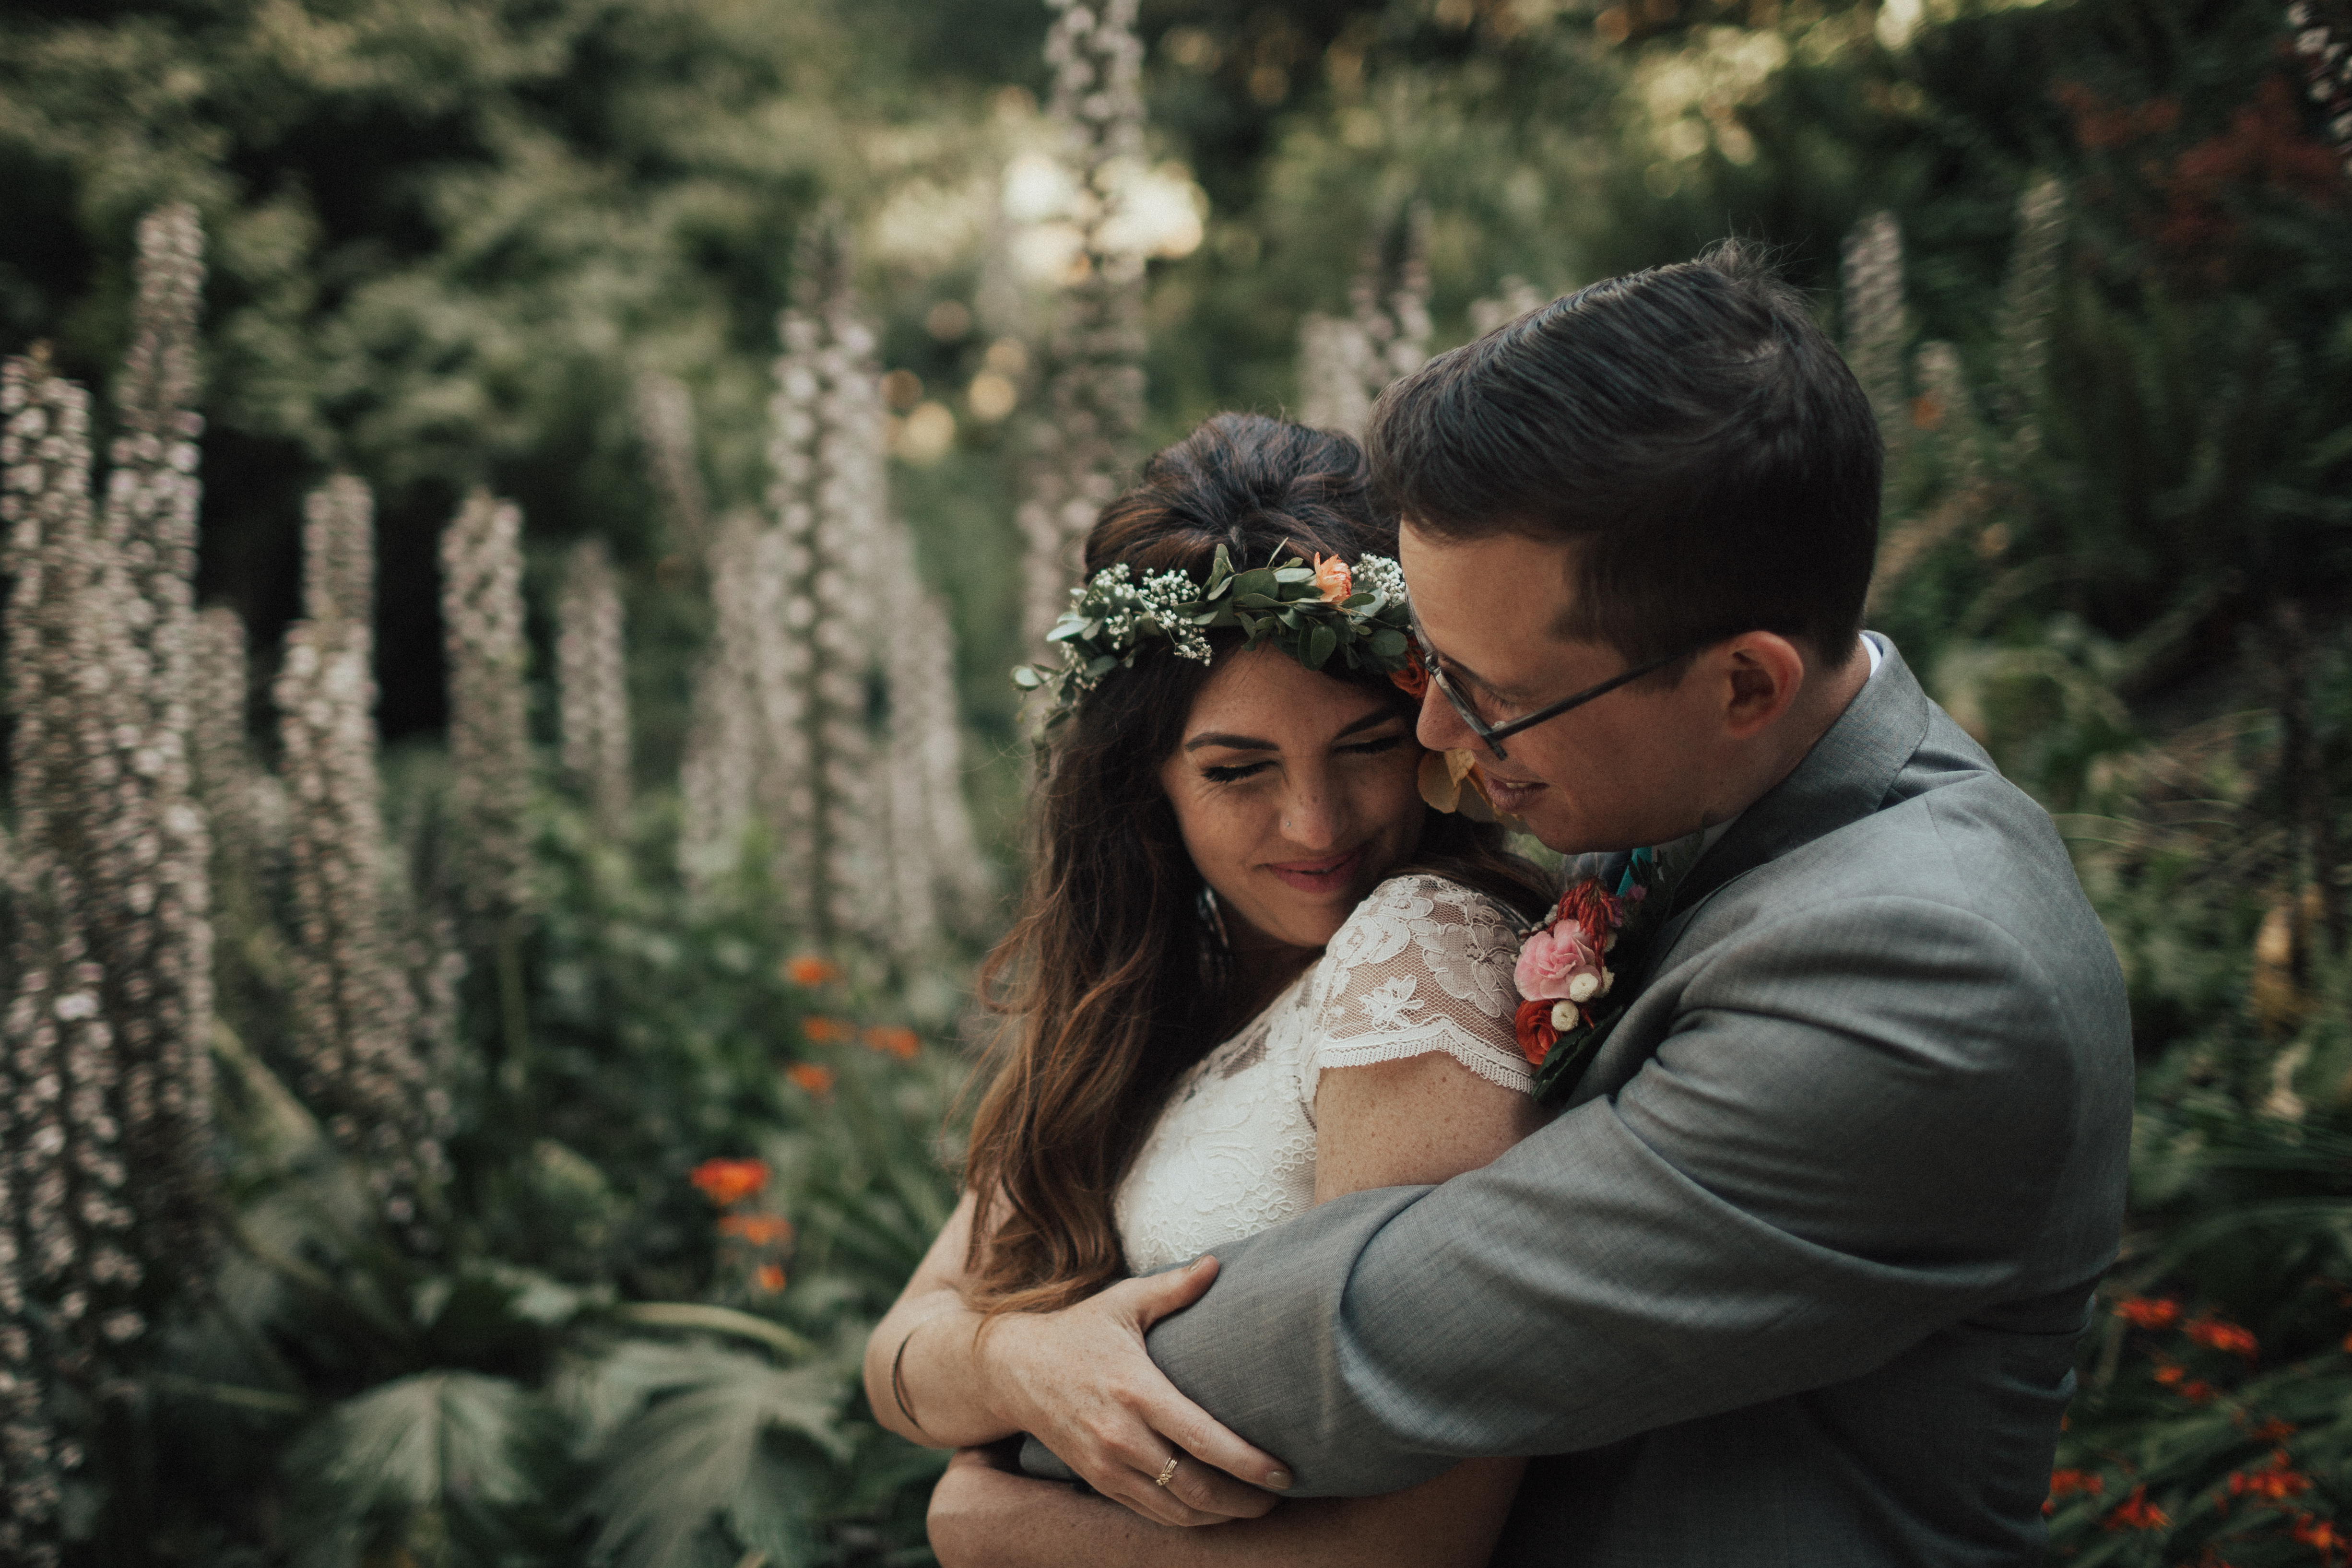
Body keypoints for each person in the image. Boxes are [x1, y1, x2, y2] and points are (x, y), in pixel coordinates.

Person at [922, 244, 2135, 1566]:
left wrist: (1014, 1417)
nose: (1437, 725)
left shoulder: (1925, 972)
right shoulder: (1689, 793)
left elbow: (1385, 1335)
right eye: (1437, 665)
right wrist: (990, 1351)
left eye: (1491, 692)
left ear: (1743, 686)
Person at [864, 412, 1562, 1567]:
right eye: (1239, 771)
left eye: (1365, 748)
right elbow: (902, 1347)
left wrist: (996, 1526)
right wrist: (1021, 1365)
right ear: (1150, 787)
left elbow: (1412, 1547)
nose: (1316, 826)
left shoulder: (1414, 947)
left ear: (1437, 731)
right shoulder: (1152, 1003)